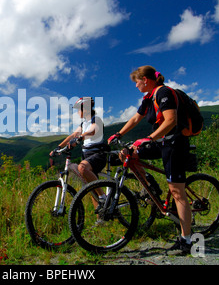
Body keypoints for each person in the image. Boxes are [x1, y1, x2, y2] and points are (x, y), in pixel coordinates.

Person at [108, 65, 193, 255]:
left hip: (174, 143)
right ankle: (151, 188)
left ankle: (186, 240)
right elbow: (136, 119)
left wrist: (149, 138)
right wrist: (118, 133)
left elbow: (171, 120)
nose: (135, 85)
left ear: (145, 79)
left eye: (136, 81)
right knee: (127, 154)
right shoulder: (148, 98)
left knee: (177, 192)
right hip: (162, 142)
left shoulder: (163, 93)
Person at [50, 97, 108, 206]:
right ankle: (100, 218)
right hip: (86, 155)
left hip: (97, 154)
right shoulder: (83, 124)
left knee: (82, 168)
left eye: (78, 110)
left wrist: (81, 136)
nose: (77, 112)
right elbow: (73, 135)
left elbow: (93, 130)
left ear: (85, 109)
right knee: (91, 188)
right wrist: (58, 147)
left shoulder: (96, 120)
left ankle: (103, 196)